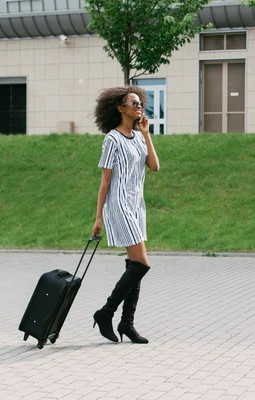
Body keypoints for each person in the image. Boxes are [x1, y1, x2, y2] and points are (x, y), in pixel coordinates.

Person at [91, 86, 160, 344]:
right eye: (133, 103)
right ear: (120, 108)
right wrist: (98, 217)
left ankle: (127, 324)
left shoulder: (139, 137)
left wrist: (147, 134)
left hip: (136, 205)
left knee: (134, 266)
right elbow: (105, 181)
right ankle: (106, 312)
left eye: (140, 103)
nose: (139, 106)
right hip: (118, 205)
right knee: (142, 263)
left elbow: (154, 166)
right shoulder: (112, 139)